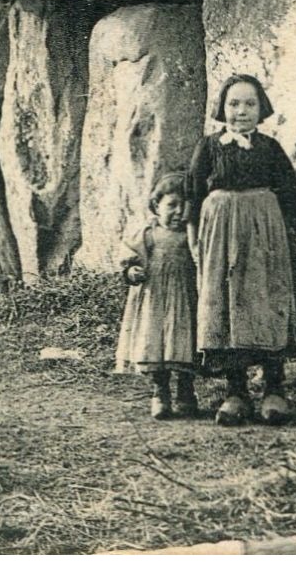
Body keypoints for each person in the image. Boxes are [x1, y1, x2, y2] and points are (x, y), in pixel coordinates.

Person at [187, 74, 296, 427]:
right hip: (220, 236)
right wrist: (194, 238)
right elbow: (193, 195)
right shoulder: (208, 147)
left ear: (262, 108)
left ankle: (274, 388)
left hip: (265, 235)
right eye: (234, 104)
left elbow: (289, 192)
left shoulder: (269, 148)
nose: (241, 112)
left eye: (250, 104)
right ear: (222, 108)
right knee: (226, 304)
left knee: (266, 303)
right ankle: (235, 392)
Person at [114, 171, 200, 420]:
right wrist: (132, 271)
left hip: (185, 298)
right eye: (172, 205)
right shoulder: (147, 234)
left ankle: (186, 392)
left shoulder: (192, 235)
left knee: (185, 343)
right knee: (154, 343)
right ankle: (160, 392)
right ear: (156, 205)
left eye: (185, 206)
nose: (178, 212)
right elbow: (129, 256)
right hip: (154, 300)